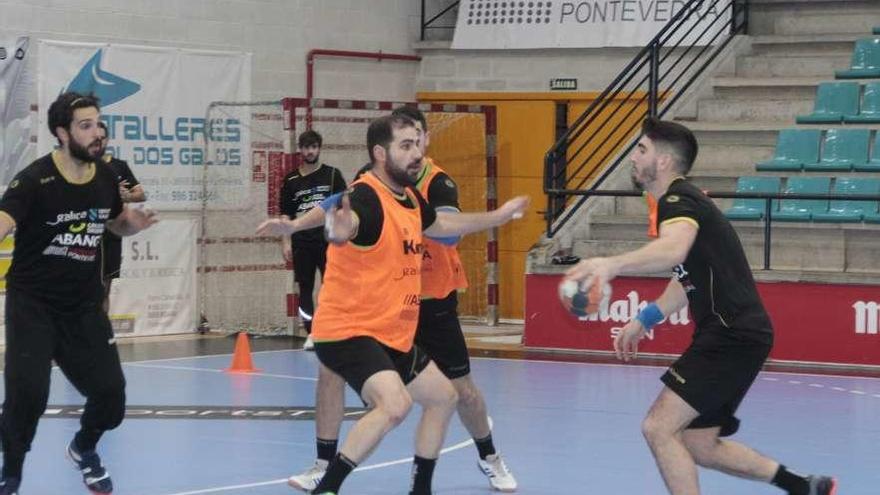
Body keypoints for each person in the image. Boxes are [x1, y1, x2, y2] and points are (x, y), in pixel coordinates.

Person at [256, 114, 528, 495]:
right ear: (380, 154)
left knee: (444, 396)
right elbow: (346, 218)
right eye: (406, 146)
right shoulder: (367, 198)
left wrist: (497, 217)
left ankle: (421, 489)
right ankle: (327, 483)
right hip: (349, 329)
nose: (416, 153)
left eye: (417, 144)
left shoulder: (412, 197)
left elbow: (442, 228)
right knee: (394, 404)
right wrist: (330, 229)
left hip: (390, 330)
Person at [563, 117, 836, 495]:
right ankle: (803, 485)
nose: (633, 156)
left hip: (730, 333)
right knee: (699, 443)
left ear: (662, 162)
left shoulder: (679, 199)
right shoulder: (678, 204)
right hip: (740, 333)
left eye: (641, 149)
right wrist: (646, 317)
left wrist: (611, 264)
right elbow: (684, 275)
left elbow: (672, 251)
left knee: (658, 427)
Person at [0, 92, 158, 495]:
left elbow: (115, 223)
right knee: (28, 395)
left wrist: (131, 225)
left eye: (98, 124)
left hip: (82, 307)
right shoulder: (35, 180)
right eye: (85, 126)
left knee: (111, 397)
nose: (97, 133)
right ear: (61, 132)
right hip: (33, 305)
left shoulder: (105, 178)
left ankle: (84, 448)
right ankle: (11, 474)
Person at [279, 130, 346, 350]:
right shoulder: (290, 180)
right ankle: (312, 333)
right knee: (305, 287)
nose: (310, 151)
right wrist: (286, 242)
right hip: (302, 243)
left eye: (314, 147)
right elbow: (285, 215)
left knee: (333, 287)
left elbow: (345, 208)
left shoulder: (333, 175)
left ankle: (333, 330)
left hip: (329, 241)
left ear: (319, 148)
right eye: (306, 147)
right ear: (300, 149)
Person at [96, 121, 146, 313]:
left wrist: (127, 196)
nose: (97, 142)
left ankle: (101, 334)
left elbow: (140, 194)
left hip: (111, 233)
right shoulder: (83, 165)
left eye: (101, 138)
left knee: (105, 288)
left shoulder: (119, 166)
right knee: (87, 288)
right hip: (87, 233)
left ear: (107, 140)